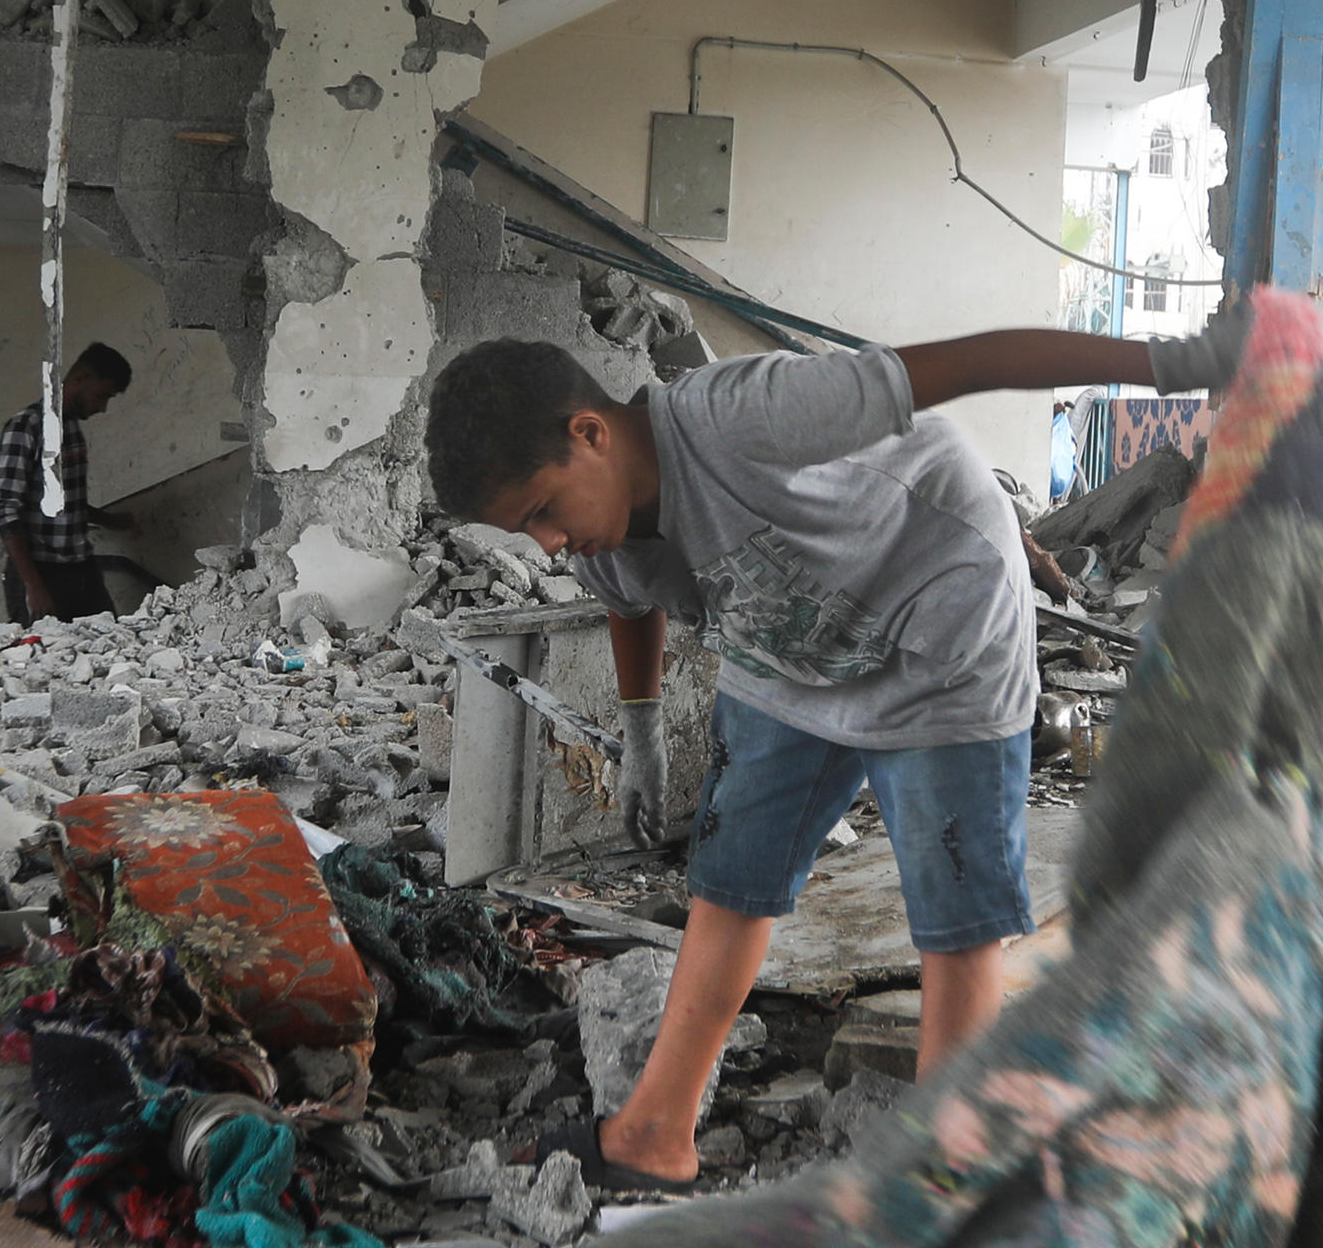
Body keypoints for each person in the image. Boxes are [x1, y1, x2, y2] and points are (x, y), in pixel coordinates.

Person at [425, 305, 1245, 1191]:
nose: (549, 543)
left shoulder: (743, 415)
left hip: (940, 618)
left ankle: (943, 1180)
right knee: (729, 879)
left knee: (956, 913)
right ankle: (655, 1134)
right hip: (791, 647)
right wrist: (642, 730)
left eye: (544, 511)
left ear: (590, 433)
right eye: (527, 531)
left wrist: (1179, 360)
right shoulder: (599, 535)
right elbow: (630, 600)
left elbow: (973, 357)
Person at [0, 342, 133, 620]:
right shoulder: (26, 427)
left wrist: (111, 521)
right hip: (41, 574)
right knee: (45, 647)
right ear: (80, 379)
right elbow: (6, 511)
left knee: (111, 641)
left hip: (82, 569)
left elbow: (64, 502)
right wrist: (34, 586)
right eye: (101, 396)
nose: (103, 407)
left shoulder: (71, 428)